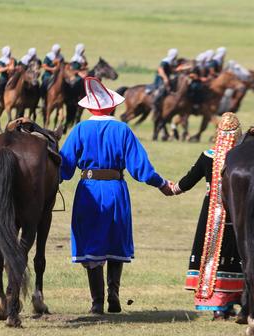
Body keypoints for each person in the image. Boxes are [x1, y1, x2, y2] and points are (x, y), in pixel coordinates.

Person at [60, 77, 174, 315]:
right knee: (114, 241)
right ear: (113, 106)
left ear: (90, 107)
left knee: (91, 243)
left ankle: (97, 302)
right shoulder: (123, 130)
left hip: (88, 191)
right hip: (116, 190)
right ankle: (113, 294)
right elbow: (140, 168)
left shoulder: (80, 129)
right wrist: (161, 184)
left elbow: (64, 167)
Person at [171, 112, 254, 320]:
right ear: (238, 135)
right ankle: (238, 300)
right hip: (240, 213)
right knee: (238, 254)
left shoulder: (208, 156)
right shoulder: (246, 158)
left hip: (211, 215)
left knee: (211, 255)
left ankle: (218, 305)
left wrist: (172, 188)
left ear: (218, 132)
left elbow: (188, 181)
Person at [152, 48, 178, 116]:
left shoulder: (171, 62)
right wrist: (165, 78)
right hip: (160, 79)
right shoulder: (165, 61)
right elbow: (161, 71)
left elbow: (172, 70)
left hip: (167, 79)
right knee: (162, 89)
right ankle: (155, 103)